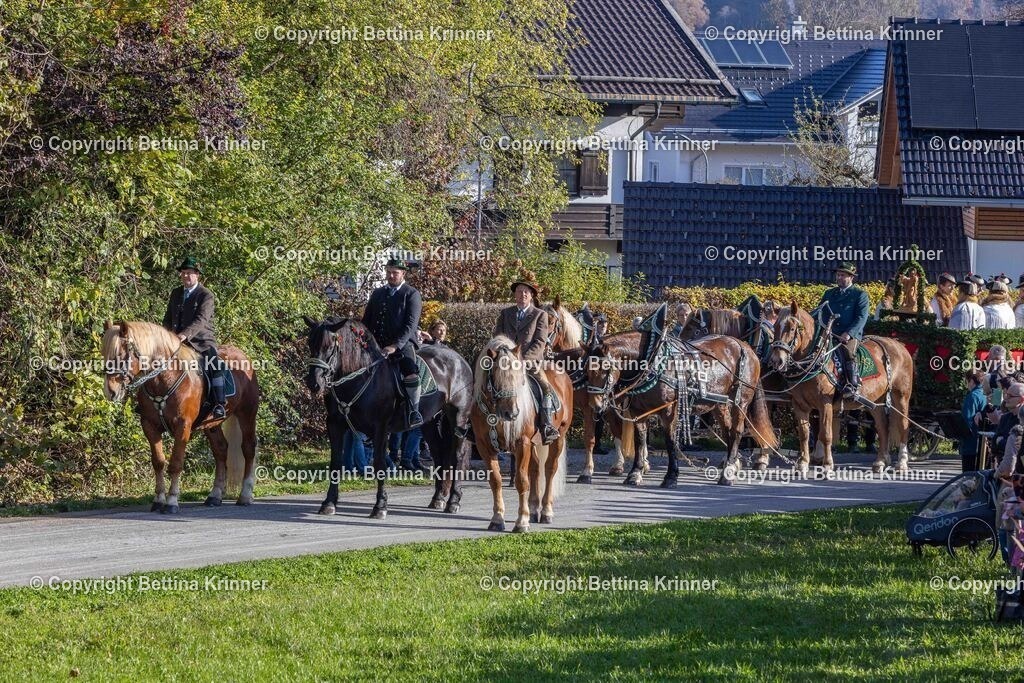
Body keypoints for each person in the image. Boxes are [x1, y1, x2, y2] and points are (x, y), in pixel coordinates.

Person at [493, 278, 559, 444]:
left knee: (545, 387)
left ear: (531, 296)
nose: (522, 294)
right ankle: (475, 425)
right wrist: (505, 358)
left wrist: (522, 361)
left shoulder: (540, 315)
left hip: (529, 363)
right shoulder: (505, 313)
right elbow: (498, 337)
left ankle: (547, 425)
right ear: (515, 295)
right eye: (519, 291)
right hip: (505, 363)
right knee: (485, 380)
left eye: (526, 292)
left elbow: (540, 342)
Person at [362, 258, 423, 427]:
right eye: (388, 271)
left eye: (394, 272)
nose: (390, 275)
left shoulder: (411, 294)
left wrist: (395, 346)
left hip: (402, 346)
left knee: (410, 372)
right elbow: (366, 321)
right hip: (376, 345)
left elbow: (410, 326)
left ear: (403, 273)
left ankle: (414, 410)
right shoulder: (377, 293)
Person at [162, 257, 227, 419]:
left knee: (215, 364)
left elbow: (201, 320)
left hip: (201, 343)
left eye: (189, 273)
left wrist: (184, 335)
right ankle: (149, 402)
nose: (185, 276)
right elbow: (168, 318)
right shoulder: (176, 293)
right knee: (155, 361)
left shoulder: (206, 295)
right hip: (176, 342)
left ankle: (219, 403)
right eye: (183, 273)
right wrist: (165, 336)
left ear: (197, 275)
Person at [817, 262, 870, 399]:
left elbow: (861, 317)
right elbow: (820, 312)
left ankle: (852, 385)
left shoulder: (860, 294)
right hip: (828, 333)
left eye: (843, 275)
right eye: (838, 275)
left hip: (848, 336)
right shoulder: (829, 293)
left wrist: (849, 333)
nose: (839, 278)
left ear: (851, 277)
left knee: (848, 352)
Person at [961, 371, 988, 472]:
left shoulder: (972, 396)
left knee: (968, 473)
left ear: (971, 381)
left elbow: (966, 419)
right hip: (982, 441)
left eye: (966, 381)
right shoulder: (985, 394)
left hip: (970, 441)